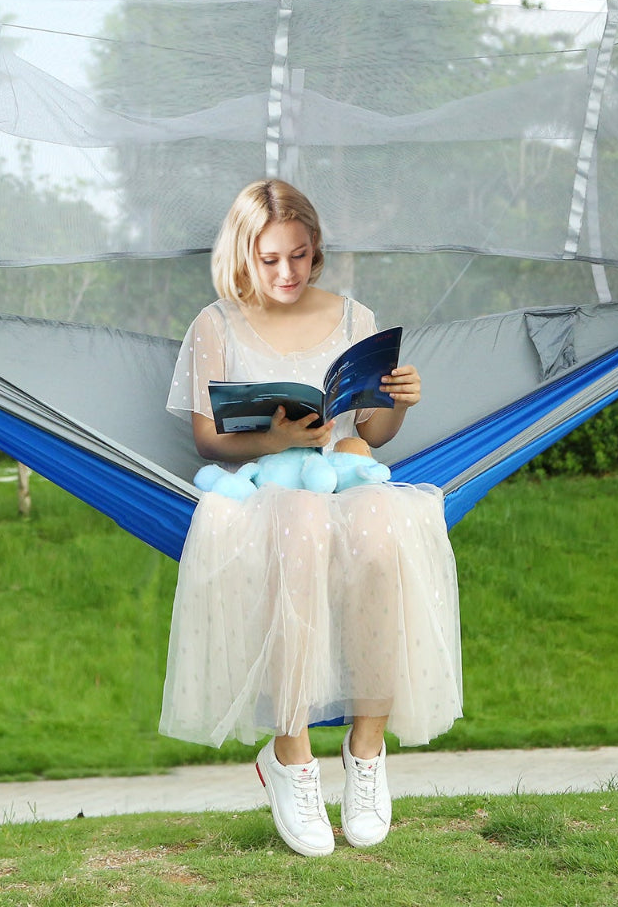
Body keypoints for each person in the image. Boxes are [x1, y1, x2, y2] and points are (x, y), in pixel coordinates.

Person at [162, 179, 462, 857]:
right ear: (244, 255)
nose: (286, 273)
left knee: (385, 532)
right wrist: (278, 441)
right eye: (270, 260)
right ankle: (290, 758)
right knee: (302, 528)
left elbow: (375, 433)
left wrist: (401, 400)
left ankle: (367, 751)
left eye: (299, 256)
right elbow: (208, 439)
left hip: (347, 474)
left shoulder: (355, 317)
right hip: (264, 492)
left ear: (315, 249)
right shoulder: (216, 324)